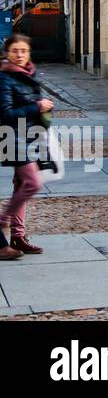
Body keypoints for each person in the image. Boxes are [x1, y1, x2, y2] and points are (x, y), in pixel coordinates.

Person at [0, 34, 52, 258]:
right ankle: (2, 219)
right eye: (15, 51)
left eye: (23, 51)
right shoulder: (5, 77)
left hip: (31, 137)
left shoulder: (28, 74)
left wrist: (45, 110)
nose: (19, 55)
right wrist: (37, 107)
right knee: (33, 183)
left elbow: (32, 105)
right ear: (7, 53)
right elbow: (5, 114)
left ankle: (18, 237)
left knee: (21, 184)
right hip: (13, 138)